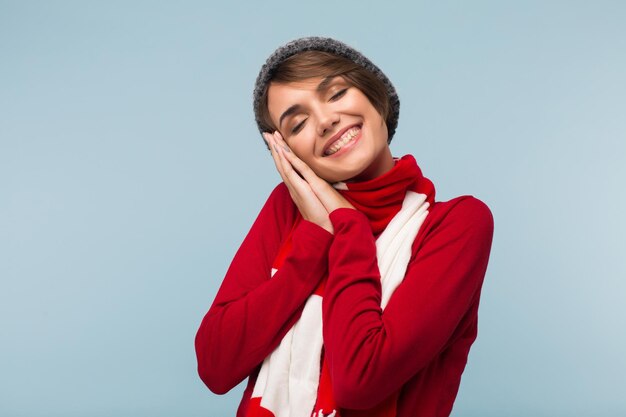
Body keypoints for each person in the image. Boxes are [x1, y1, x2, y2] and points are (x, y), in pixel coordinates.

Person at [195, 36, 494, 417]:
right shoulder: (287, 211)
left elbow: (361, 380)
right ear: (285, 153)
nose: (325, 121)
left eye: (336, 94)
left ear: (376, 96)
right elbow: (215, 366)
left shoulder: (456, 225)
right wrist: (315, 239)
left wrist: (347, 226)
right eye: (298, 122)